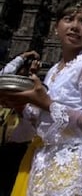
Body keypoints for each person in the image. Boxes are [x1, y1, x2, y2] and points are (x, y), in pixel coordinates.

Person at [1, 0, 82, 196]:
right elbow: (41, 119)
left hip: (71, 163)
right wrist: (20, 105)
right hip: (44, 159)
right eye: (68, 19)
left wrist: (48, 104)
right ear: (56, 27)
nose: (74, 26)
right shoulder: (54, 71)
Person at [0, 51, 40, 196]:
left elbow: (35, 120)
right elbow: (5, 74)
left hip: (18, 150)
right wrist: (24, 56)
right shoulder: (5, 86)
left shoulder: (37, 92)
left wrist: (21, 108)